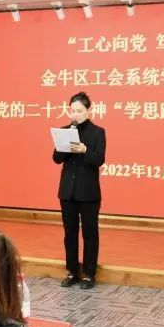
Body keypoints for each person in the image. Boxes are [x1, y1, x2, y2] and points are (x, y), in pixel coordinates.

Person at [52, 91, 106, 289]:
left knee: (90, 233)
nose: (75, 114)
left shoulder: (97, 132)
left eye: (79, 111)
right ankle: (72, 272)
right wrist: (63, 146)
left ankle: (89, 274)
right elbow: (56, 159)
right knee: (70, 233)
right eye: (72, 110)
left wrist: (84, 150)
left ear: (88, 110)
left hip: (88, 192)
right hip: (68, 191)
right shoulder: (65, 131)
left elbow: (99, 159)